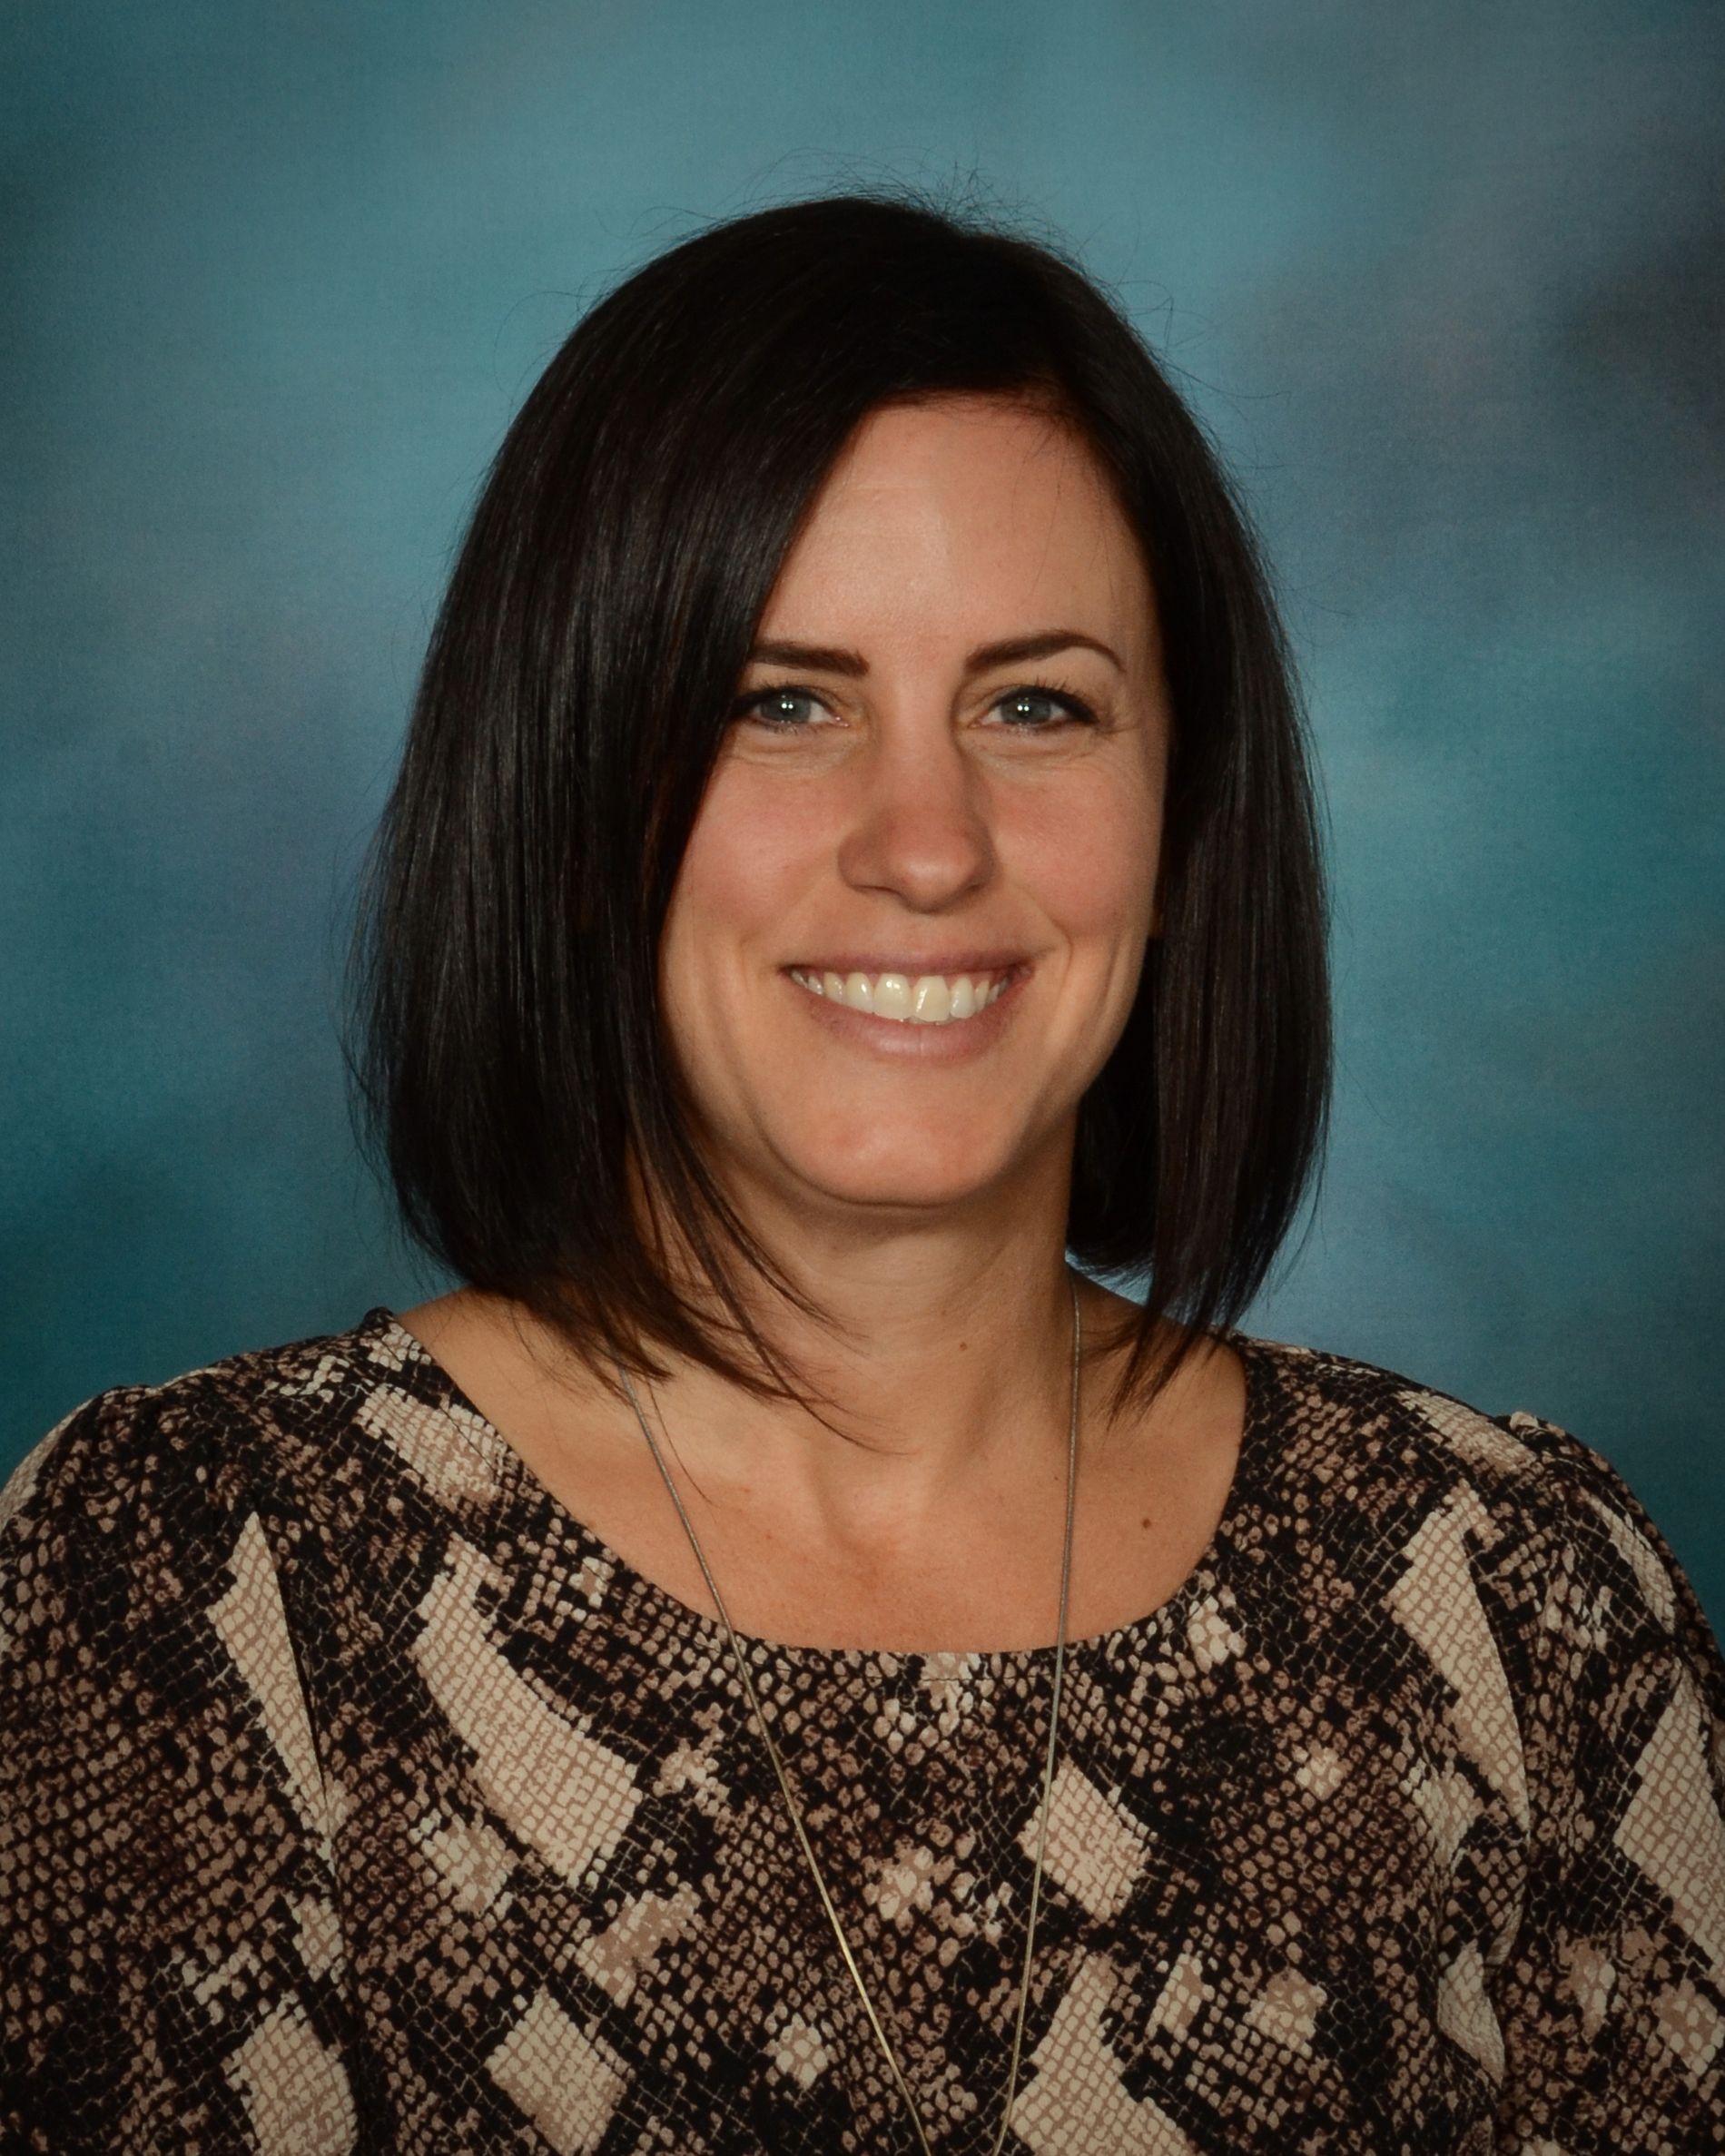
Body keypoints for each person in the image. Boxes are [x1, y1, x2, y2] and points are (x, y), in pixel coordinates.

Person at [3, 192, 1721, 2156]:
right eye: (781, 701)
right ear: (575, 797)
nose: (926, 842)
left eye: (1035, 705)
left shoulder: (1511, 1599)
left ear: (1181, 821)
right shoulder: (192, 1587)